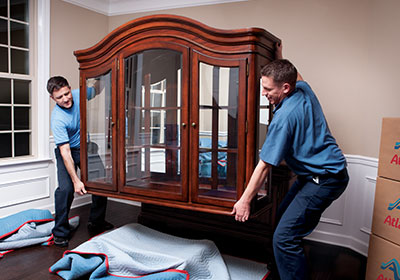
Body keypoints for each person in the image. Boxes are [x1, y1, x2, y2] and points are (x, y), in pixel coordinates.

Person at [231, 44, 349, 280]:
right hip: (315, 175)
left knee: (285, 237)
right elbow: (298, 75)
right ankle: (279, 271)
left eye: (267, 89)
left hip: (325, 179)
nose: (263, 93)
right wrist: (280, 58)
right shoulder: (303, 88)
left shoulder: (284, 117)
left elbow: (264, 165)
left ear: (285, 88)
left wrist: (244, 201)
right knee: (281, 219)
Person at [48, 76, 113, 247]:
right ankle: (60, 231)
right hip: (67, 151)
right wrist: (76, 181)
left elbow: (97, 89)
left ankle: (96, 222)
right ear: (52, 99)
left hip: (87, 147)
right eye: (59, 97)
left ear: (70, 88)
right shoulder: (57, 119)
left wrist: (102, 74)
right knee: (66, 189)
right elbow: (65, 151)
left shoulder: (78, 94)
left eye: (66, 94)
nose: (65, 99)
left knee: (101, 182)